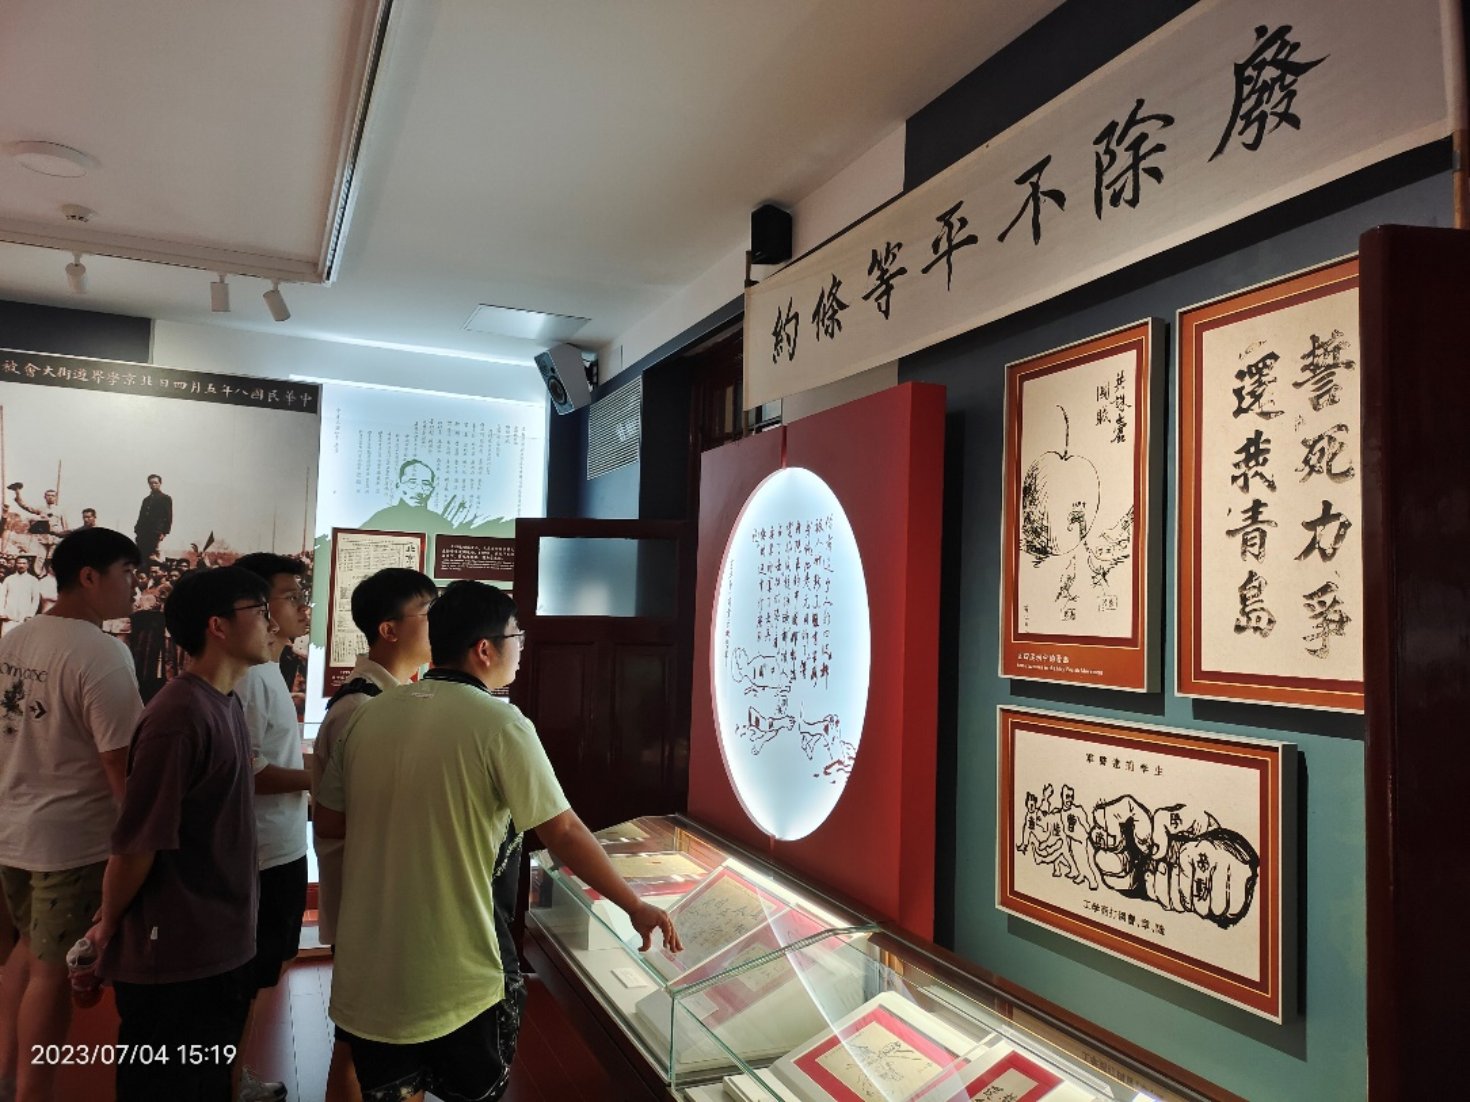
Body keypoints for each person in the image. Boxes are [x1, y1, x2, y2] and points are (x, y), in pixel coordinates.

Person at [316, 581, 681, 1102]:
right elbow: (562, 831)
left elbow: (330, 821)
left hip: (370, 967)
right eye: (517, 636)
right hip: (455, 968)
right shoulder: (500, 722)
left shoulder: (369, 714)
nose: (522, 648)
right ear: (484, 649)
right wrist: (634, 904)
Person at [87, 566, 275, 1102]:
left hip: (216, 944)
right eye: (260, 611)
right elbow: (139, 843)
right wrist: (108, 924)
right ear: (218, 625)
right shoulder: (179, 715)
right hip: (176, 957)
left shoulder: (224, 702)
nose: (270, 623)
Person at [0, 527, 142, 1102]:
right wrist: (139, 847)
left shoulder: (14, 639)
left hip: (12, 832)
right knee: (52, 972)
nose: (134, 587)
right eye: (127, 574)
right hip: (69, 843)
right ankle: (31, 1093)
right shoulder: (101, 653)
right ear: (89, 577)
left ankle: (6, 1076)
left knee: (25, 953)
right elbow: (120, 765)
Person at [311, 567, 436, 1102]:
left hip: (381, 896)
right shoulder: (360, 708)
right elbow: (334, 817)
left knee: (363, 1040)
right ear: (389, 629)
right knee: (368, 1042)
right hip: (371, 899)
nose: (438, 625)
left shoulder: (389, 698)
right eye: (428, 614)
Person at [133, 474, 173, 562]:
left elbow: (168, 516)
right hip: (143, 533)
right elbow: (141, 516)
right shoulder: (146, 500)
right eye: (151, 483)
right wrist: (137, 529)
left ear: (160, 483)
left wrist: (164, 532)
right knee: (141, 556)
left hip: (155, 532)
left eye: (156, 483)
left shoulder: (165, 498)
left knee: (153, 556)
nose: (153, 485)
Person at [0, 556, 43, 636]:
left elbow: (35, 599)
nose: (21, 565)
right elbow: (2, 597)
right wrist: (2, 612)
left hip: (24, 618)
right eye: (19, 563)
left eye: (24, 563)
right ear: (15, 564)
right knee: (6, 640)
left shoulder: (33, 580)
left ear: (28, 565)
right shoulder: (9, 579)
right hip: (8, 618)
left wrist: (30, 615)